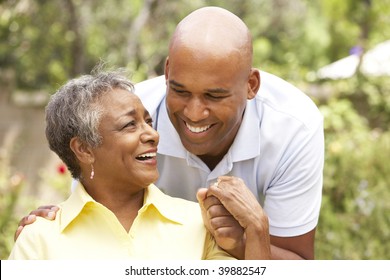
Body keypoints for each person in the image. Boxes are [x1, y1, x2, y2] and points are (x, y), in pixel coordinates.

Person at [15, 6, 324, 260]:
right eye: (179, 90)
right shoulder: (133, 108)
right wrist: (51, 223)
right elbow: (92, 194)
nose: (193, 112)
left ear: (251, 86)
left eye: (214, 96)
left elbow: (297, 261)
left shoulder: (294, 127)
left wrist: (249, 237)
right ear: (166, 72)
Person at [8, 69, 238, 259]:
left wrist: (255, 232)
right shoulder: (38, 240)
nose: (153, 135)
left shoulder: (201, 224)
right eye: (130, 125)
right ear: (84, 149)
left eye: (148, 122)